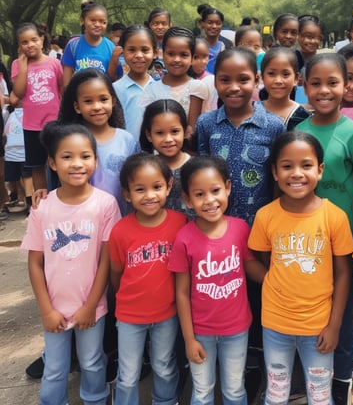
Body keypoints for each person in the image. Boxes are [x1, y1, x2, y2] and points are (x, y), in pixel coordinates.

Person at [248, 131, 353, 405]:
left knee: (319, 395)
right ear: (274, 172)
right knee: (276, 393)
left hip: (319, 327)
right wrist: (271, 278)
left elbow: (344, 274)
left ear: (320, 170)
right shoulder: (266, 216)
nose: (296, 174)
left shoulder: (335, 217)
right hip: (275, 324)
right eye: (287, 166)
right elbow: (255, 259)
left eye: (306, 165)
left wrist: (335, 326)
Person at [22, 121, 121, 405]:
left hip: (91, 307)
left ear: (95, 161)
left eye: (85, 156)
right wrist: (46, 310)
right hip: (53, 307)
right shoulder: (42, 208)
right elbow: (35, 263)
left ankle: (96, 399)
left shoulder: (105, 204)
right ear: (52, 163)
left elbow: (106, 260)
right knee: (55, 367)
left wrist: (92, 305)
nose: (77, 164)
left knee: (91, 362)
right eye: (67, 157)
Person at [295, 52, 353, 404]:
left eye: (333, 83)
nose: (324, 90)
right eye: (315, 83)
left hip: (343, 251)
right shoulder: (298, 132)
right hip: (304, 249)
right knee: (308, 322)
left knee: (341, 326)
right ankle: (310, 389)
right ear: (304, 86)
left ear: (347, 86)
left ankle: (339, 392)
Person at [169, 155, 267, 405]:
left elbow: (250, 265)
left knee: (234, 390)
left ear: (228, 188)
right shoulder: (184, 239)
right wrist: (189, 339)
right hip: (200, 332)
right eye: (199, 194)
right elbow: (181, 293)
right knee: (202, 392)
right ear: (187, 200)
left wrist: (274, 280)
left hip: (237, 329)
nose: (210, 200)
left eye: (215, 191)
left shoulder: (240, 228)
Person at [109, 152, 187, 405]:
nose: (150, 195)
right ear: (127, 194)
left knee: (164, 365)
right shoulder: (120, 231)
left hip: (167, 313)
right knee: (129, 374)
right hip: (130, 316)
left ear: (169, 187)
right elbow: (117, 274)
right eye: (140, 189)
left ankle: (165, 401)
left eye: (156, 187)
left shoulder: (180, 224)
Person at [195, 47, 285, 226]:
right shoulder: (206, 123)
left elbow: (278, 178)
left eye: (243, 79)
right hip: (218, 226)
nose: (234, 87)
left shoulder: (274, 125)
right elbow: (202, 172)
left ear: (257, 80)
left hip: (260, 225)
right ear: (215, 83)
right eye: (225, 80)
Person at [58, 68, 139, 216]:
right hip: (84, 220)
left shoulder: (127, 140)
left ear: (113, 101)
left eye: (103, 99)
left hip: (122, 220)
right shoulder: (69, 142)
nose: (97, 107)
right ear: (77, 107)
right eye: (88, 101)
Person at [11, 22, 64, 191]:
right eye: (24, 42)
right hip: (32, 125)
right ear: (19, 45)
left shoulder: (54, 63)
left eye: (34, 40)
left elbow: (61, 89)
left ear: (42, 40)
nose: (30, 45)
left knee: (60, 162)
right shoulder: (16, 65)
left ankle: (62, 198)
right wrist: (24, 68)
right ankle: (42, 203)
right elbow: (18, 93)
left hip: (55, 123)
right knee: (36, 166)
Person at [140, 26, 209, 137]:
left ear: (192, 58)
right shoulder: (151, 89)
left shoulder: (196, 87)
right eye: (171, 54)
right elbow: (148, 127)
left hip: (188, 152)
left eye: (183, 55)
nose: (177, 59)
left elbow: (192, 132)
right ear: (163, 54)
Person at [140, 99, 192, 215]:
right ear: (149, 135)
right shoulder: (145, 170)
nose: (168, 139)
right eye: (160, 133)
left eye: (174, 131)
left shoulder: (196, 168)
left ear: (185, 131)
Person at [113, 25, 157, 141]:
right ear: (123, 51)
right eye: (132, 50)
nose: (138, 55)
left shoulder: (160, 88)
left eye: (145, 50)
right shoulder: (115, 89)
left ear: (155, 52)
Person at [61, 2, 117, 87]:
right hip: (79, 96)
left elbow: (115, 79)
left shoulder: (111, 47)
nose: (97, 24)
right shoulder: (73, 46)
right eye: (93, 20)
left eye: (103, 22)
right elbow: (66, 82)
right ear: (82, 20)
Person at [260, 47, 310, 130]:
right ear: (262, 77)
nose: (278, 81)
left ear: (296, 79)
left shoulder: (302, 117)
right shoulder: (252, 112)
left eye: (285, 74)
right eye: (271, 74)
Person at [198, 6, 232, 74]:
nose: (214, 26)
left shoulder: (227, 45)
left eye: (218, 23)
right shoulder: (196, 44)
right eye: (210, 23)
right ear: (202, 23)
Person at [145, 7, 172, 80]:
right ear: (149, 25)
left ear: (170, 24)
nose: (160, 27)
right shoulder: (144, 46)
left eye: (164, 24)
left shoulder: (174, 46)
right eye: (155, 24)